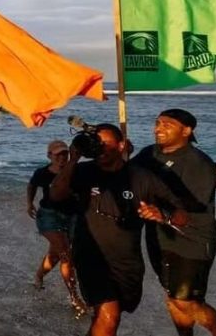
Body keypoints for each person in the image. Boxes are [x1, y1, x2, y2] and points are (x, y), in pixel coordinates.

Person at [49, 123, 190, 336]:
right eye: (97, 144)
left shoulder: (142, 177)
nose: (101, 149)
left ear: (121, 145)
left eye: (106, 143)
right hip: (91, 256)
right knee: (109, 315)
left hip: (127, 262)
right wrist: (73, 159)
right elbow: (55, 195)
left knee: (106, 318)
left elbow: (182, 215)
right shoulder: (83, 172)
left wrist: (163, 216)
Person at [132, 109, 216, 336]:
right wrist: (123, 155)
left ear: (186, 131)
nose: (158, 129)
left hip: (191, 241)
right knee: (174, 298)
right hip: (159, 238)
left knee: (184, 301)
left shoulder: (199, 164)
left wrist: (163, 214)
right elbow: (129, 178)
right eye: (157, 123)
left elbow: (192, 208)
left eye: (167, 124)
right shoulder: (149, 153)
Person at [26, 140, 86, 318]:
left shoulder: (75, 171)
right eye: (57, 154)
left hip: (72, 216)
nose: (61, 157)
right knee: (65, 253)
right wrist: (29, 203)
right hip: (48, 215)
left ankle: (39, 276)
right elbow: (32, 185)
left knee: (55, 254)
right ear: (49, 156)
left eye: (64, 154)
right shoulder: (42, 173)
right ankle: (75, 297)